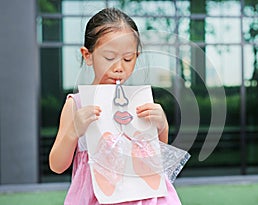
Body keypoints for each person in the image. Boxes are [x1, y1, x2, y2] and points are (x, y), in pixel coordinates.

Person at [49, 8, 183, 205]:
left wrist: (162, 127)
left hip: (144, 196)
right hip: (96, 196)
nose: (119, 67)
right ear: (87, 55)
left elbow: (155, 156)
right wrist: (73, 132)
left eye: (128, 59)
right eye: (109, 58)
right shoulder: (77, 104)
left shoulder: (139, 101)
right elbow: (57, 165)